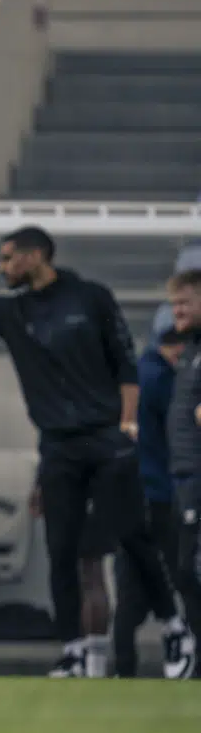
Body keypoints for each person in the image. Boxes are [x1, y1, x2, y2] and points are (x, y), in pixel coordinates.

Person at [0, 226, 193, 679]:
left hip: (107, 439)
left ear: (36, 257)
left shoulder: (91, 298)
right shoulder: (10, 311)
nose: (1, 267)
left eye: (9, 258)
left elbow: (125, 365)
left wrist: (127, 426)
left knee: (133, 537)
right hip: (58, 447)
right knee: (62, 550)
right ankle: (74, 648)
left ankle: (174, 627)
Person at [120, 323, 191, 677]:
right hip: (162, 493)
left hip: (131, 492)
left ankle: (123, 667)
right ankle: (188, 660)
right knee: (183, 577)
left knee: (131, 584)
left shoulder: (135, 375)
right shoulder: (165, 381)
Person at [162, 271, 201, 675]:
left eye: (185, 303)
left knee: (191, 569)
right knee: (185, 570)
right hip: (184, 476)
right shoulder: (190, 350)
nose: (177, 311)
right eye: (173, 304)